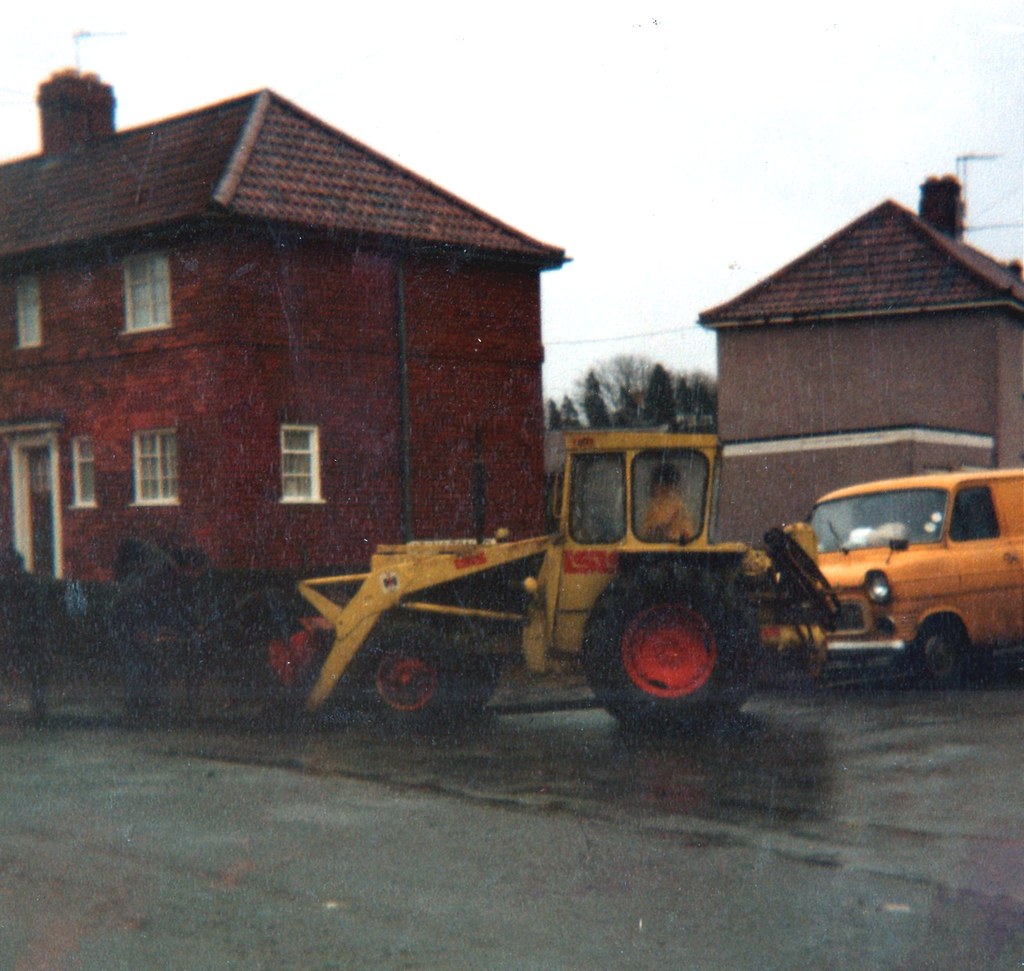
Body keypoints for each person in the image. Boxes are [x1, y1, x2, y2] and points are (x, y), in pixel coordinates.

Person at [0, 546, 51, 721]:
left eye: (10, 567)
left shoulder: (31, 587)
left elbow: (39, 618)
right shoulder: (4, 586)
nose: (8, 572)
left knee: (36, 663)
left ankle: (38, 707)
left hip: (29, 637)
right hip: (8, 637)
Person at [640, 463, 695, 543]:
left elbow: (651, 530)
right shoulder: (679, 504)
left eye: (654, 483)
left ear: (662, 484)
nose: (652, 486)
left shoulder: (664, 504)